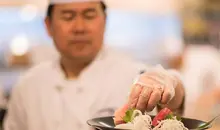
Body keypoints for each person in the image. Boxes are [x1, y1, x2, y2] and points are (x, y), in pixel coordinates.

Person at [4, 0, 185, 130]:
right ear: (48, 26)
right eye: (68, 16)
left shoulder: (132, 74)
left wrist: (169, 81)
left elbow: (175, 100)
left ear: (105, 21)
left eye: (89, 15)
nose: (80, 27)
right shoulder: (27, 86)